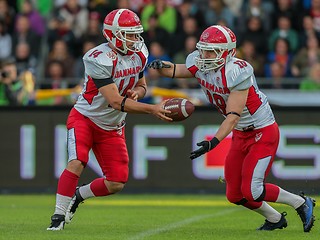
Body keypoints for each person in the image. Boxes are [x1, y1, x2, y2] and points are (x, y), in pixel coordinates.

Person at [147, 25, 316, 232]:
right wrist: (161, 65)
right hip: (241, 133)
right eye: (203, 49)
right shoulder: (201, 62)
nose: (205, 55)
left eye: (211, 50)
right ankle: (274, 218)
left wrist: (213, 142)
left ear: (227, 52)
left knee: (252, 190)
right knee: (234, 194)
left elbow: (233, 116)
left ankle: (300, 202)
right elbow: (177, 70)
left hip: (261, 131)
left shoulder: (237, 71)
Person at [47, 8, 172, 231]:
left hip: (112, 125)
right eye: (130, 34)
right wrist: (152, 109)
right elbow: (115, 101)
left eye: (136, 34)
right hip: (86, 117)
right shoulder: (98, 58)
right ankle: (57, 216)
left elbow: (142, 86)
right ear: (113, 35)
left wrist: (138, 93)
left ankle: (79, 195)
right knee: (76, 162)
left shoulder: (140, 52)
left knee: (116, 182)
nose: (135, 39)